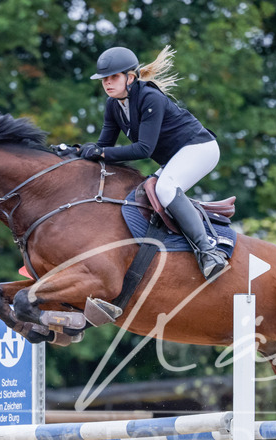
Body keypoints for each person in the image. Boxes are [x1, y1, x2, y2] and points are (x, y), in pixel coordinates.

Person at [80, 46, 227, 279]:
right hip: (176, 156)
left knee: (165, 188)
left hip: (200, 148)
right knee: (143, 193)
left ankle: (209, 252)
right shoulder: (113, 105)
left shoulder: (150, 98)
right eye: (104, 79)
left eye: (113, 77)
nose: (107, 83)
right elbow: (103, 146)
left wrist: (101, 153)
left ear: (130, 77)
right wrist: (78, 152)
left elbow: (143, 149)